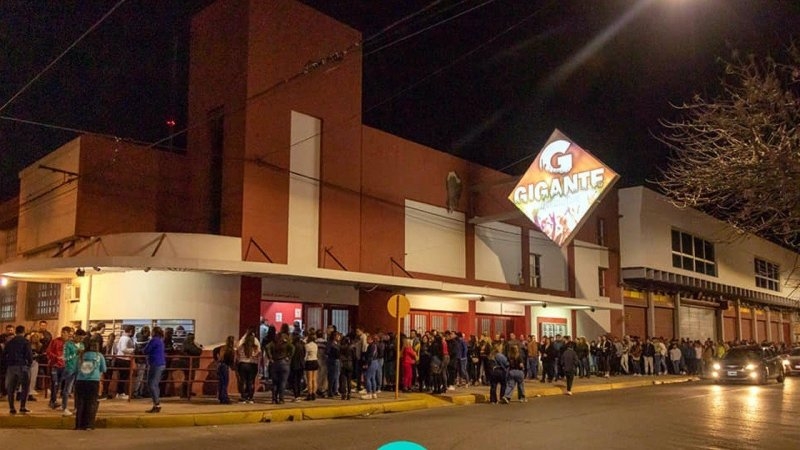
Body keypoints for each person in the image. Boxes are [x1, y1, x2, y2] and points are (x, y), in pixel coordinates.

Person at [75, 338, 107, 430]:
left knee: (80, 403)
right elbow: (104, 369)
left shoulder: (81, 356)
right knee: (91, 402)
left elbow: (76, 368)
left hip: (80, 381)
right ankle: (89, 424)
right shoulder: (99, 356)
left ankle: (79, 425)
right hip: (93, 381)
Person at [3, 325, 33, 414]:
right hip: (22, 366)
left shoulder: (9, 342)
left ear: (15, 332)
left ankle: (12, 408)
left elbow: (4, 355)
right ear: (23, 332)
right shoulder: (26, 342)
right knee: (25, 387)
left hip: (11, 367)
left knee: (11, 388)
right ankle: (22, 407)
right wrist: (29, 364)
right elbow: (29, 355)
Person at [143, 326, 166, 413]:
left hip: (155, 364)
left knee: (151, 384)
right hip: (160, 364)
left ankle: (157, 404)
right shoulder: (160, 341)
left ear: (154, 332)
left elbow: (146, 350)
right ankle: (156, 404)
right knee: (155, 384)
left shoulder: (154, 340)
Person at [61, 328, 84, 416]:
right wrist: (75, 354)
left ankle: (76, 407)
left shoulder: (82, 345)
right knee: (67, 389)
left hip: (79, 369)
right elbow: (65, 357)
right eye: (80, 338)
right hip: (70, 368)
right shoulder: (68, 344)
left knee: (78, 390)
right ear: (76, 336)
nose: (81, 340)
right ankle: (64, 407)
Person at [46, 326, 70, 410]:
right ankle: (53, 401)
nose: (63, 334)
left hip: (64, 366)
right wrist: (56, 357)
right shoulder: (55, 341)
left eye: (65, 333)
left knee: (60, 384)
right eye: (62, 332)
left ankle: (54, 400)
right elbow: (48, 352)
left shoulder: (70, 343)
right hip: (55, 366)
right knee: (54, 383)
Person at [236, 331, 260, 404]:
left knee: (243, 381)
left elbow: (237, 348)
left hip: (243, 364)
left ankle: (243, 397)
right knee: (251, 381)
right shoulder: (255, 347)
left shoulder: (242, 346)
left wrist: (244, 336)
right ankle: (250, 398)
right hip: (253, 365)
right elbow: (259, 353)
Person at [214, 336, 235, 404]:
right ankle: (224, 398)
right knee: (225, 383)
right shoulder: (230, 349)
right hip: (225, 366)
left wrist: (216, 359)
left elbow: (215, 350)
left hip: (220, 365)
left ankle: (221, 397)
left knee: (221, 382)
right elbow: (231, 360)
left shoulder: (223, 347)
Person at [304, 333, 319, 401]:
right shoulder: (316, 345)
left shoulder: (307, 345)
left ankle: (309, 394)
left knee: (309, 380)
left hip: (309, 361)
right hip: (315, 361)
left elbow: (306, 355)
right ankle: (314, 393)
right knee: (314, 379)